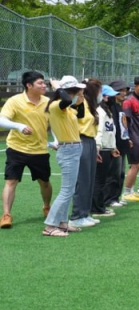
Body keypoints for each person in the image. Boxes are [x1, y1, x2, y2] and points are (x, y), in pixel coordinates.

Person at [0, 71, 53, 229]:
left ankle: (46, 207)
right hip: (16, 148)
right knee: (11, 181)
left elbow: (55, 122)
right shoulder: (15, 101)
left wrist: (56, 141)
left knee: (44, 182)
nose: (44, 85)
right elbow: (1, 120)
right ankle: (6, 215)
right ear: (29, 85)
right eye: (40, 83)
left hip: (40, 150)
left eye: (44, 83)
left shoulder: (48, 102)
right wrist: (19, 126)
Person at [41, 77, 86, 237]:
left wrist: (80, 99)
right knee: (66, 190)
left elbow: (80, 113)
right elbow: (66, 99)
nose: (78, 94)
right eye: (75, 91)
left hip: (74, 148)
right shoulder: (55, 106)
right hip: (68, 150)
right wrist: (58, 87)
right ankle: (49, 226)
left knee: (70, 189)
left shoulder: (66, 109)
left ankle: (62, 222)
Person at [68, 78, 101, 230]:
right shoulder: (80, 103)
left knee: (89, 180)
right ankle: (76, 216)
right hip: (80, 139)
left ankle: (85, 213)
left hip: (90, 141)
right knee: (82, 180)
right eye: (98, 89)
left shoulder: (92, 105)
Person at [91, 84, 121, 219]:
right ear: (105, 97)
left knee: (102, 180)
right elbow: (99, 132)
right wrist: (97, 149)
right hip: (101, 150)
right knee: (99, 180)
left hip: (107, 149)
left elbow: (110, 132)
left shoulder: (107, 111)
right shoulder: (100, 112)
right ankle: (97, 208)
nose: (115, 98)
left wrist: (113, 147)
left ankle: (99, 205)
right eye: (112, 96)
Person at [104, 80, 132, 210]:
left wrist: (127, 138)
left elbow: (122, 125)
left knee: (120, 173)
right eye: (120, 90)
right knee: (113, 174)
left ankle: (116, 197)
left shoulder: (119, 106)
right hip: (114, 145)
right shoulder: (110, 107)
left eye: (125, 90)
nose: (124, 93)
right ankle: (109, 199)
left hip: (122, 143)